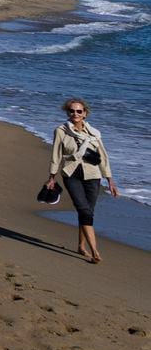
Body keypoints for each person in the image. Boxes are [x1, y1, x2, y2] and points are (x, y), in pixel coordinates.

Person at [47, 97, 118, 264]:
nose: (75, 113)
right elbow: (55, 155)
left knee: (87, 212)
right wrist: (51, 177)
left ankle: (81, 245)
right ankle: (95, 251)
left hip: (93, 176)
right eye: (72, 111)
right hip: (71, 175)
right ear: (67, 112)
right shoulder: (61, 131)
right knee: (84, 210)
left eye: (79, 111)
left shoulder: (94, 133)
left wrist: (110, 180)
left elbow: (103, 158)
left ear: (85, 113)